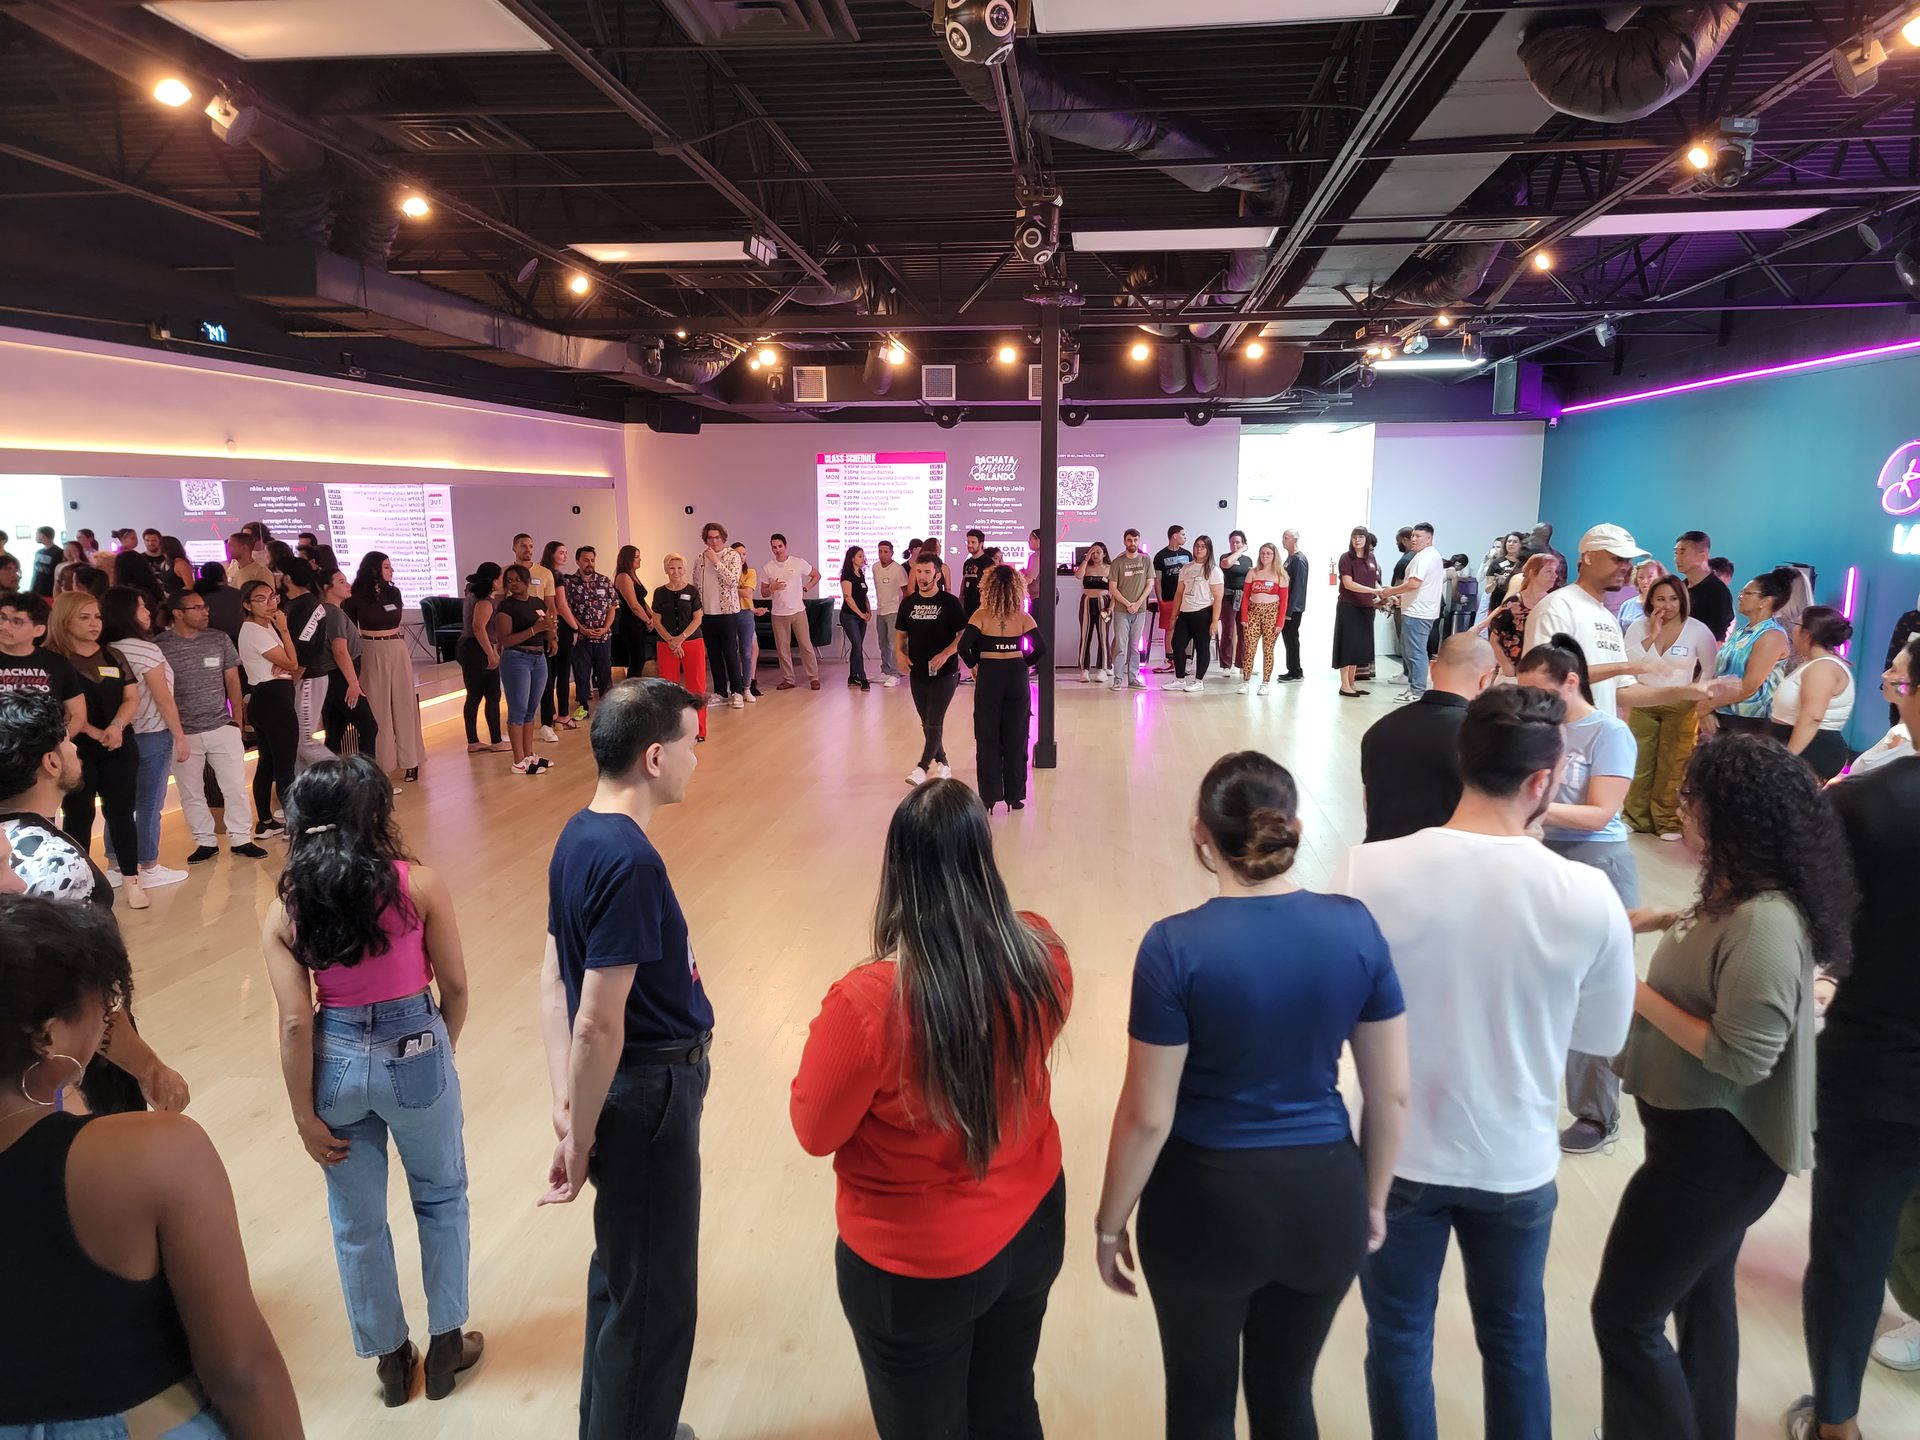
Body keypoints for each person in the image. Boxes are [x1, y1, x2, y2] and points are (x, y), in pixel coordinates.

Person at [1331, 686, 1636, 1440]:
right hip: (1515, 1159)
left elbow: (1334, 1018)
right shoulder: (1588, 894)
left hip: (1396, 1157)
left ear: (1463, 759)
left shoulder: (1366, 871)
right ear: (1543, 782)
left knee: (1398, 1338)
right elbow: (1601, 1035)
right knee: (1515, 1339)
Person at [1095, 751, 1409, 1439]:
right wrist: (1372, 1200)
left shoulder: (1174, 947)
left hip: (1203, 1208)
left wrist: (1110, 1223)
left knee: (1200, 1406)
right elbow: (1391, 1097)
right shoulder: (1355, 927)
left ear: (1200, 834)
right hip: (1325, 1201)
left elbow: (1148, 1115)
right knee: (1286, 1396)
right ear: (1294, 827)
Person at [792, 779, 1069, 1440]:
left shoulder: (866, 1005)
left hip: (914, 1266)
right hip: (1034, 1224)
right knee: (1009, 1404)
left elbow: (815, 1130)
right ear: (983, 858)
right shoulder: (1044, 955)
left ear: (897, 871)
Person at [1591, 733, 1845, 1440]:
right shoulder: (1732, 894)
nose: (1680, 807)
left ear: (1730, 816)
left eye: (1690, 798)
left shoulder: (1764, 921)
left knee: (1625, 1317)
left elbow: (1742, 1056)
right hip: (1696, 1143)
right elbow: (1715, 946)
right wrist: (1661, 919)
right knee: (1700, 1299)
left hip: (1714, 1158)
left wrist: (1631, 990)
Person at [0, 895, 304, 1438]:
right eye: (100, 1010)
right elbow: (240, 1370)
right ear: (47, 1036)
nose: (106, 1023)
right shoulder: (154, 1153)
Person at [262, 757, 483, 1406]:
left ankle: (390, 1360)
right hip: (417, 1046)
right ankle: (447, 1346)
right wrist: (439, 1052)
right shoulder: (419, 885)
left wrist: (304, 1116)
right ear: (377, 815)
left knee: (355, 1222)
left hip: (333, 1062)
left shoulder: (286, 909)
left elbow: (295, 1023)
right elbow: (456, 986)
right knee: (441, 1197)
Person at [539, 679, 711, 1440]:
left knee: (623, 1275)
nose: (695, 757)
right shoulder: (631, 862)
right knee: (654, 1302)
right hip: (648, 1092)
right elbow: (596, 1022)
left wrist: (568, 1104)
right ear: (654, 757)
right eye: (690, 743)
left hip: (621, 1091)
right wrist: (577, 1137)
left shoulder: (578, 834)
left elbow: (553, 979)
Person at [1793, 635, 1920, 1440]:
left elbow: (1812, 929)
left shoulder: (1865, 804)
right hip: (1876, 1067)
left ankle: (1836, 1421)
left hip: (1875, 1070)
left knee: (1850, 1248)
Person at [1515, 635, 1642, 1157]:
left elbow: (1600, 813)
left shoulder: (1609, 733)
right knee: (1540, 980)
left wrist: (1526, 806)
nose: (1533, 704)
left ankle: (1596, 1113)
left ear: (1572, 682)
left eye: (1541, 693)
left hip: (1599, 862)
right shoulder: (1540, 730)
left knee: (1595, 989)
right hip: (1544, 858)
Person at [42, 592, 145, 908]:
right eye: (84, 617)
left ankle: (132, 880)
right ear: (65, 620)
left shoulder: (113, 655)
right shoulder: (52, 660)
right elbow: (59, 709)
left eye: (97, 616)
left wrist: (116, 726)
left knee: (122, 813)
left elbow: (132, 698)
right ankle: (79, 886)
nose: (93, 624)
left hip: (118, 744)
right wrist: (92, 730)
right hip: (74, 749)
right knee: (78, 815)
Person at [155, 588, 264, 863]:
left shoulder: (218, 638)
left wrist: (237, 721)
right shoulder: (160, 646)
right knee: (191, 791)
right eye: (197, 608)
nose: (205, 612)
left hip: (221, 725)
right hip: (182, 732)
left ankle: (241, 837)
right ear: (178, 613)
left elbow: (233, 681)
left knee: (235, 787)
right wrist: (174, 731)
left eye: (205, 606)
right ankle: (204, 840)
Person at [1360, 634, 1497, 843]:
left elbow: (1369, 804)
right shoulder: (1482, 736)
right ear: (1485, 679)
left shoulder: (1379, 729)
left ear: (1432, 668)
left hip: (1381, 854)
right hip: (1448, 858)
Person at [97, 588, 188, 890]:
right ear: (126, 613)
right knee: (148, 803)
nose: (148, 612)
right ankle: (148, 865)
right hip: (151, 733)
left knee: (118, 803)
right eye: (140, 607)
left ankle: (115, 864)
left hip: (116, 735)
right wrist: (179, 736)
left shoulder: (103, 649)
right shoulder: (145, 650)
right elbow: (163, 699)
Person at [1622, 575, 1718, 840]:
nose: (1667, 605)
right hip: (1643, 700)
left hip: (1681, 705)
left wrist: (1698, 696)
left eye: (1674, 599)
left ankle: (1667, 821)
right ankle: (1634, 816)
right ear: (1650, 600)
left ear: (1682, 600)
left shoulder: (1698, 630)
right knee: (1640, 760)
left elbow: (1709, 668)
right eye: (1661, 599)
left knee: (1674, 763)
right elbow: (1629, 662)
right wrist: (1652, 635)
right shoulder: (1638, 627)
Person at [1522, 523, 1648, 715]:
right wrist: (1624, 667)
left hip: (1596, 731)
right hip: (1562, 731)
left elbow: (1620, 691)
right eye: (1618, 559)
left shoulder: (1608, 618)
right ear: (1588, 557)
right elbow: (1542, 677)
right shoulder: (1558, 607)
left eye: (1628, 560)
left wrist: (1685, 691)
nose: (1626, 567)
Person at [958, 565, 1046, 813]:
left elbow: (964, 647)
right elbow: (1041, 648)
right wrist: (1024, 664)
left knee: (987, 737)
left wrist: (975, 665)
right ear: (1016, 589)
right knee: (1017, 737)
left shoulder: (980, 616)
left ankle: (989, 797)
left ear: (989, 588)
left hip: (989, 676)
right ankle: (1014, 797)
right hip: (1016, 676)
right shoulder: (1023, 617)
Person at [344, 552, 424, 783]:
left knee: (404, 703)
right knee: (378, 707)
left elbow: (394, 616)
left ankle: (411, 760)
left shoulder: (393, 592)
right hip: (370, 648)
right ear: (374, 568)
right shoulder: (355, 595)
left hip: (396, 647)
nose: (391, 570)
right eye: (387, 566)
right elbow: (349, 628)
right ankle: (383, 763)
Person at [895, 551, 965, 786]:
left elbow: (963, 634)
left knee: (934, 720)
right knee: (927, 722)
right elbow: (900, 634)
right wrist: (900, 653)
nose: (922, 576)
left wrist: (946, 653)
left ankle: (922, 767)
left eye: (927, 572)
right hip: (918, 672)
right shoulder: (908, 603)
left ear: (937, 575)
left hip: (945, 673)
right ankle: (943, 764)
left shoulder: (950, 603)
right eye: (918, 571)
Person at [237, 580, 301, 838]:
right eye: (261, 599)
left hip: (268, 697)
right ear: (247, 605)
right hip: (273, 699)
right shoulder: (255, 631)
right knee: (284, 765)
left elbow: (288, 663)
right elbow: (293, 663)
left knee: (268, 762)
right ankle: (292, 824)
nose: (270, 603)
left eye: (272, 597)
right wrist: (284, 631)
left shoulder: (263, 627)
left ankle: (265, 821)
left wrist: (285, 662)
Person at [1701, 566, 1794, 736]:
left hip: (1750, 721)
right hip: (1722, 713)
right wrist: (1708, 708)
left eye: (1747, 593)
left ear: (1765, 601)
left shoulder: (1771, 635)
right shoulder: (1741, 632)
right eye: (1741, 592)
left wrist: (1707, 706)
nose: (1740, 596)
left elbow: (1749, 686)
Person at [1770, 606, 1856, 781]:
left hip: (1810, 749)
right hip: (1792, 744)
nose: (1792, 629)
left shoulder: (1823, 667)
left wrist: (1788, 758)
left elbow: (1812, 717)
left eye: (1797, 624)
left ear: (1807, 634)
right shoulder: (1813, 663)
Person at [491, 564, 555, 775]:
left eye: (518, 579)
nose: (514, 584)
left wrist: (551, 635)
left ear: (527, 581)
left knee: (530, 709)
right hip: (517, 659)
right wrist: (534, 629)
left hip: (538, 658)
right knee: (518, 709)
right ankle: (518, 760)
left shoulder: (537, 602)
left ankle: (529, 755)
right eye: (509, 580)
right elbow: (506, 640)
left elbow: (546, 625)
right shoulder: (506, 607)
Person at [278, 558, 333, 775]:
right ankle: (305, 786)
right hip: (301, 676)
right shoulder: (294, 604)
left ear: (287, 578)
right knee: (297, 742)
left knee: (304, 741)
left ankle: (347, 775)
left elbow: (305, 649)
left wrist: (293, 680)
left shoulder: (306, 606)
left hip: (308, 677)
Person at [1378, 523, 1443, 701]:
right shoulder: (1428, 555)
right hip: (1417, 610)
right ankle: (1414, 688)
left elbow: (1414, 583)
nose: (1413, 539)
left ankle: (1417, 691)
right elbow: (1421, 587)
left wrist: (1391, 591)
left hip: (1418, 613)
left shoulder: (1425, 556)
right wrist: (1400, 598)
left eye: (1418, 536)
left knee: (1415, 653)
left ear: (1429, 538)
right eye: (1413, 535)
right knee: (1411, 652)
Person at [651, 554, 708, 744]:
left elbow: (697, 618)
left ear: (684, 570)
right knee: (668, 689)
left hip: (692, 643)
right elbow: (656, 621)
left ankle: (699, 730)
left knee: (696, 686)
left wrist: (680, 639)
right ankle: (671, 731)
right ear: (666, 570)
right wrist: (671, 641)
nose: (676, 572)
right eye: (672, 568)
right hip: (666, 645)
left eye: (679, 568)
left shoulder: (692, 591)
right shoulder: (659, 593)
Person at [691, 522, 748, 709]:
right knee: (714, 654)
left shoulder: (732, 556)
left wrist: (716, 561)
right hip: (707, 613)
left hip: (727, 612)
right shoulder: (700, 558)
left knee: (730, 652)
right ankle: (720, 691)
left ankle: (737, 692)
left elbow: (733, 581)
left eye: (717, 537)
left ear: (723, 538)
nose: (714, 541)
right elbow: (696, 583)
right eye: (710, 538)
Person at [1483, 553, 1561, 678]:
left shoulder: (1554, 604)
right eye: (1548, 571)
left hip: (1542, 672)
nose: (1554, 576)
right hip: (1514, 672)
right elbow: (1494, 639)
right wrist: (1507, 665)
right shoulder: (1513, 603)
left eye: (1555, 571)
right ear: (1532, 573)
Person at [758, 534, 820, 692]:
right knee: (782, 648)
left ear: (785, 546)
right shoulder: (768, 567)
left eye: (780, 546)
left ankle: (813, 677)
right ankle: (788, 679)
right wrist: (772, 588)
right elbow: (764, 593)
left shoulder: (798, 562)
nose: (777, 550)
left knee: (806, 645)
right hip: (778, 614)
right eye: (774, 547)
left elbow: (816, 575)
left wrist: (806, 588)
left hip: (798, 611)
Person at [565, 546, 619, 716]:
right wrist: (582, 629)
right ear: (578, 561)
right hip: (581, 638)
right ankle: (583, 706)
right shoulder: (569, 583)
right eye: (586, 560)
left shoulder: (604, 581)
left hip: (603, 637)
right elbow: (567, 610)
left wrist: (605, 628)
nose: (590, 563)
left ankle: (607, 708)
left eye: (592, 560)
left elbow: (612, 607)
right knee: (582, 673)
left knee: (604, 672)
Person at [459, 563, 507, 754]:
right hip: (476, 649)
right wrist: (491, 654)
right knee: (492, 695)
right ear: (494, 581)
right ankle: (496, 740)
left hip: (468, 647)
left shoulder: (472, 595)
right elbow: (479, 628)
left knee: (474, 694)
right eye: (500, 577)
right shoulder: (484, 601)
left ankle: (473, 740)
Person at [1166, 535, 1223, 693]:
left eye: (1203, 546)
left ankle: (1199, 681)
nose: (1199, 549)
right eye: (1197, 545)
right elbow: (1179, 593)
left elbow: (1218, 596)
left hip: (1203, 613)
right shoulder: (1186, 568)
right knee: (1177, 644)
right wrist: (1173, 615)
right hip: (1185, 613)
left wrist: (1214, 621)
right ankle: (1180, 680)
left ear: (1208, 549)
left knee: (1202, 647)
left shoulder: (1214, 570)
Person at [1334, 526, 1382, 698]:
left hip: (1366, 608)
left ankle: (1352, 682)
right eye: (1354, 537)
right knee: (1347, 645)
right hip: (1349, 607)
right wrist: (1373, 591)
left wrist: (1383, 593)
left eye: (1361, 537)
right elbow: (1348, 584)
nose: (1357, 540)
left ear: (1366, 539)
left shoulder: (1371, 558)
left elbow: (1374, 581)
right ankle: (1344, 685)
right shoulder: (1346, 558)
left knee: (1358, 647)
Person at [1236, 542, 1288, 695]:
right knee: (1249, 648)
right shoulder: (1253, 572)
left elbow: (1284, 601)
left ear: (1274, 556)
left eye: (1268, 553)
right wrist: (1244, 616)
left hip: (1271, 614)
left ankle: (1265, 683)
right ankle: (1245, 681)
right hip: (1253, 613)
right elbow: (1246, 596)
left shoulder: (1281, 575)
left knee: (1268, 650)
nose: (1265, 556)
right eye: (1263, 553)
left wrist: (1280, 622)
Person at [543, 541, 582, 729]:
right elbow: (562, 606)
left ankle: (549, 714)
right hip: (561, 627)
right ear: (551, 554)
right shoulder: (556, 575)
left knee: (550, 674)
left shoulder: (542, 573)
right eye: (561, 553)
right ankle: (564, 715)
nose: (565, 556)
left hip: (546, 626)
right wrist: (575, 628)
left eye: (566, 553)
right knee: (563, 673)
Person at [1108, 528, 1153, 690]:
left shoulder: (1146, 560)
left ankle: (1133, 678)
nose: (1132, 543)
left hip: (1140, 610)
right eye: (1129, 540)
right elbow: (1112, 588)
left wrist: (1138, 603)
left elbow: (1150, 584)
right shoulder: (1117, 562)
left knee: (1134, 645)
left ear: (1139, 541)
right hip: (1122, 610)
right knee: (1120, 645)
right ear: (1124, 541)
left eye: (1135, 540)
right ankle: (1118, 679)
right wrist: (1128, 604)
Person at [1669, 532, 1734, 639]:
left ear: (1702, 556)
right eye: (1676, 553)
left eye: (1683, 553)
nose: (1677, 559)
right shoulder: (1680, 588)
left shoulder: (1717, 592)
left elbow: (1717, 636)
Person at [1150, 526, 1192, 671]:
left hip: (1186, 599)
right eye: (1183, 534)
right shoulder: (1160, 556)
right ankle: (1170, 661)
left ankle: (1186, 660)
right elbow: (1157, 580)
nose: (1185, 537)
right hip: (1168, 599)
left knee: (1188, 628)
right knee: (1169, 628)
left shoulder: (1188, 555)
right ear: (1174, 536)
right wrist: (1160, 600)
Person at [612, 545, 654, 681]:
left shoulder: (632, 575)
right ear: (628, 559)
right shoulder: (623, 577)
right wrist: (647, 620)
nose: (640, 559)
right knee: (637, 659)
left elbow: (642, 601)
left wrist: (653, 617)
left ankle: (634, 687)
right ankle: (632, 688)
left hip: (638, 622)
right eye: (636, 557)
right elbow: (634, 604)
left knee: (640, 658)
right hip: (631, 623)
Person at [869, 540, 907, 688]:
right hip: (880, 610)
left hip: (894, 610)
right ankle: (885, 670)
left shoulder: (898, 569)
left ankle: (896, 673)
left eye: (885, 551)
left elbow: (905, 591)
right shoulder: (875, 567)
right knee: (883, 643)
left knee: (893, 642)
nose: (882, 554)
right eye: (880, 551)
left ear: (891, 552)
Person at [1218, 530, 1253, 680]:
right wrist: (1240, 550)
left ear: (1243, 542)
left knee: (1243, 631)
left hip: (1243, 598)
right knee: (1228, 631)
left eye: (1238, 542)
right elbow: (1226, 564)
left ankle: (1242, 663)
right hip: (1227, 598)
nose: (1234, 544)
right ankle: (1226, 665)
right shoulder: (1225, 557)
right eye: (1232, 542)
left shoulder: (1248, 560)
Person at [732, 541, 764, 700]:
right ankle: (734, 686)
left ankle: (749, 684)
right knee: (732, 651)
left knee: (749, 650)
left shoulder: (750, 572)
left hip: (745, 614)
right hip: (730, 614)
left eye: (744, 554)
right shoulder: (727, 573)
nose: (742, 557)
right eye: (738, 554)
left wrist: (729, 589)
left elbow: (746, 593)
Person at [1077, 541, 1111, 683]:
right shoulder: (1086, 567)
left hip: (1104, 603)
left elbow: (1114, 588)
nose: (1095, 555)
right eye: (1093, 552)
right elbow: (1078, 576)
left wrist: (1111, 608)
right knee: (1085, 635)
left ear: (1104, 553)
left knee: (1103, 635)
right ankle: (1084, 669)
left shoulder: (1110, 568)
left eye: (1098, 552)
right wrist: (1086, 559)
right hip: (1087, 602)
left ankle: (1103, 669)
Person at [838, 547, 872, 692]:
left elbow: (864, 595)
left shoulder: (861, 574)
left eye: (863, 556)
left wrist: (868, 611)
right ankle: (863, 678)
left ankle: (853, 676)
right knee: (858, 645)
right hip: (849, 616)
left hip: (862, 616)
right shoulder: (847, 575)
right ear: (852, 558)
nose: (863, 559)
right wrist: (860, 613)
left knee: (857, 646)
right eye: (859, 556)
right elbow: (848, 597)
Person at [1279, 529, 1309, 683]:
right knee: (1288, 638)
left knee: (1291, 638)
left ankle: (1296, 672)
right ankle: (1292, 669)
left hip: (1293, 609)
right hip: (1287, 606)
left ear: (1294, 539)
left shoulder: (1299, 560)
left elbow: (1298, 586)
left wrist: (1289, 611)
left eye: (1286, 538)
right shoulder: (1290, 558)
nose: (1283, 540)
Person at [1615, 558, 1666, 629]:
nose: (1644, 581)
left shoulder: (1666, 606)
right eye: (1641, 577)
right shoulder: (1626, 606)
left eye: (1650, 577)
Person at [1484, 531, 1525, 608]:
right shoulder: (1496, 563)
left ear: (1521, 544)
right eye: (1509, 541)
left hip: (1518, 604)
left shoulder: (1525, 563)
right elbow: (1487, 590)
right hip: (1498, 603)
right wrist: (1495, 583)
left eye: (1515, 542)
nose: (1511, 544)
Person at [961, 528, 990, 621]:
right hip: (967, 607)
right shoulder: (967, 562)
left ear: (981, 544)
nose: (969, 545)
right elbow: (964, 581)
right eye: (968, 542)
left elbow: (991, 585)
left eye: (973, 542)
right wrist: (961, 598)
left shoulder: (988, 562)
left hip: (981, 607)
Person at [29, 525, 60, 598]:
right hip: (36, 590)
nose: (36, 536)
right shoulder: (39, 552)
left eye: (37, 534)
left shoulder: (59, 553)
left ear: (42, 535)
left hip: (50, 591)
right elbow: (35, 572)